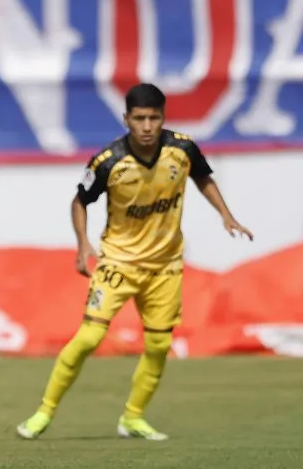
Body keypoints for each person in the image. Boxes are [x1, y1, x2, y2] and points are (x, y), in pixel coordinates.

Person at [16, 83, 254, 442]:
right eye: (139, 118)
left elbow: (203, 177)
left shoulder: (183, 149)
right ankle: (44, 412)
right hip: (117, 265)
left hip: (165, 266)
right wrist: (83, 245)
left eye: (153, 118)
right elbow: (79, 201)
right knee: (88, 337)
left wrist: (226, 214)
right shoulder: (108, 161)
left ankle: (133, 417)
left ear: (163, 119)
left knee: (158, 345)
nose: (146, 126)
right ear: (126, 118)